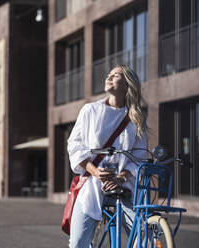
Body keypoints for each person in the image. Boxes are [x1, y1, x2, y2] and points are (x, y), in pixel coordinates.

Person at [67, 65, 148, 248]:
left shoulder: (136, 118)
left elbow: (139, 157)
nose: (109, 77)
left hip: (122, 188)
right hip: (92, 187)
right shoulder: (90, 110)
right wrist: (95, 171)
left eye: (116, 75)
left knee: (143, 236)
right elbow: (74, 145)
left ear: (128, 85)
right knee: (78, 242)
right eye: (109, 74)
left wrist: (121, 177)